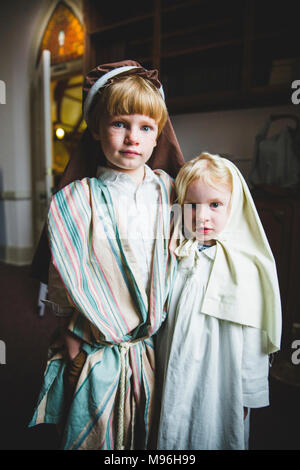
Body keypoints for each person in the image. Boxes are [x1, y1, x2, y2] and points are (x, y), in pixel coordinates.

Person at [28, 60, 184, 450]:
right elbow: (65, 269)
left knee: (149, 429)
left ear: (157, 137)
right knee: (99, 431)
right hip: (95, 340)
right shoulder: (76, 199)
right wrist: (68, 330)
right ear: (97, 129)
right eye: (120, 124)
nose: (133, 137)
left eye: (145, 127)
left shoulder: (169, 191)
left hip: (153, 342)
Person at [156, 152, 282, 450]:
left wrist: (248, 395)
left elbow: (254, 340)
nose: (202, 216)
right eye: (192, 206)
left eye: (215, 205)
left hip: (221, 380)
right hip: (176, 369)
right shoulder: (177, 255)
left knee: (213, 433)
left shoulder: (244, 268)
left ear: (233, 206)